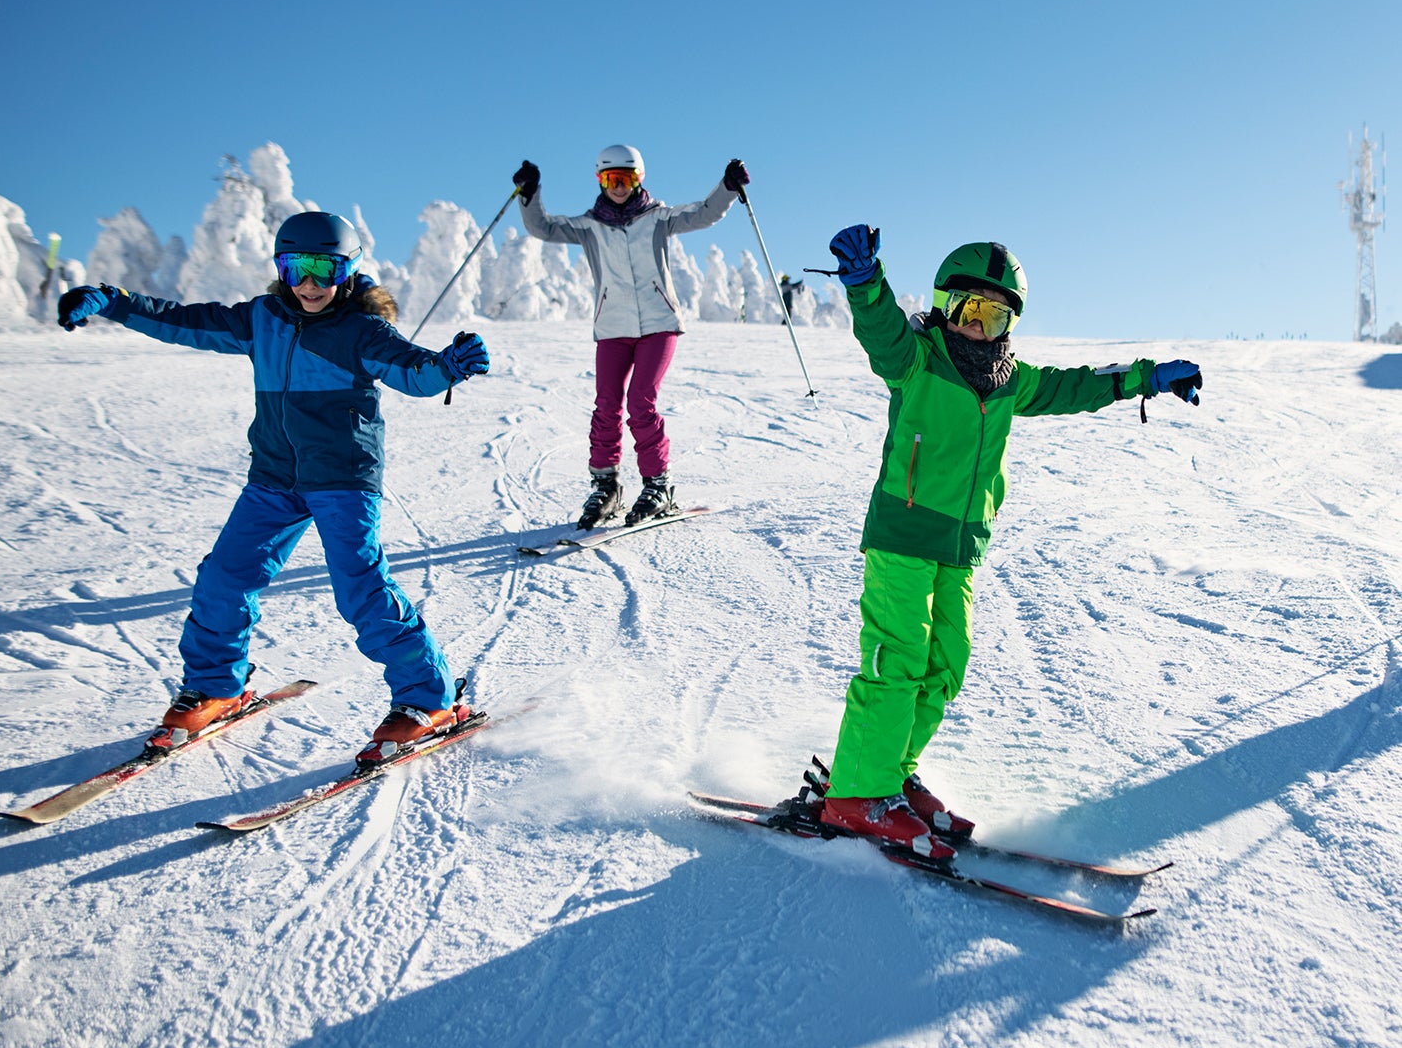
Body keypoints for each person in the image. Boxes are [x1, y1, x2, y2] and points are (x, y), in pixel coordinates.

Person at [817, 224, 1204, 859]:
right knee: (898, 657)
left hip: (962, 544)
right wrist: (865, 284)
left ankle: (891, 773)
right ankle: (858, 794)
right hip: (904, 535)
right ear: (945, 307)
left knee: (947, 664)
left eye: (994, 317)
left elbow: (1080, 384)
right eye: (969, 310)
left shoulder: (1010, 381)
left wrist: (1148, 378)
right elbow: (882, 334)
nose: (978, 326)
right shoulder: (916, 361)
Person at [55, 211, 490, 766]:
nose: (308, 285)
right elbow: (182, 320)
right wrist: (112, 301)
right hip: (274, 477)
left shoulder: (362, 330)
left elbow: (414, 373)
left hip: (341, 478)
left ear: (348, 270)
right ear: (279, 269)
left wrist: (448, 366)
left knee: (360, 590)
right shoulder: (262, 318)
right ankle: (217, 686)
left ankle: (429, 698)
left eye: (323, 270)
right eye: (295, 269)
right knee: (223, 578)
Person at [511, 145, 749, 528]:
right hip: (612, 329)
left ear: (639, 179)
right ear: (600, 181)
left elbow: (704, 214)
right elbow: (543, 227)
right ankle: (606, 486)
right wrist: (529, 193)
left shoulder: (657, 218)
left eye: (626, 178)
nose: (619, 187)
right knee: (606, 404)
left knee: (641, 401)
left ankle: (658, 485)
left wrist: (727, 186)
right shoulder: (590, 227)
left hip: (659, 325)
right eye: (611, 179)